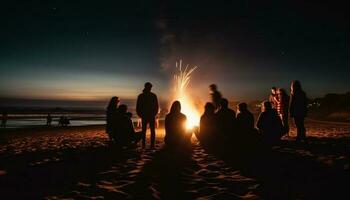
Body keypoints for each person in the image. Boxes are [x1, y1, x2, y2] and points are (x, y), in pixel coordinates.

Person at [136, 82, 159, 148]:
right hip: (148, 115)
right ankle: (150, 144)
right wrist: (154, 113)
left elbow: (138, 107)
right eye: (149, 87)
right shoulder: (152, 95)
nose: (150, 88)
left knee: (146, 130)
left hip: (147, 115)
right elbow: (156, 106)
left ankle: (146, 144)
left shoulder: (141, 96)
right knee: (150, 130)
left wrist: (140, 114)